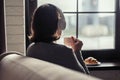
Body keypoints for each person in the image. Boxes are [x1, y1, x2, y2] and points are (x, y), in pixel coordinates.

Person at [26, 4, 89, 74]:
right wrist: (77, 51)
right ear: (58, 24)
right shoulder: (64, 51)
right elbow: (85, 77)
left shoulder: (31, 49)